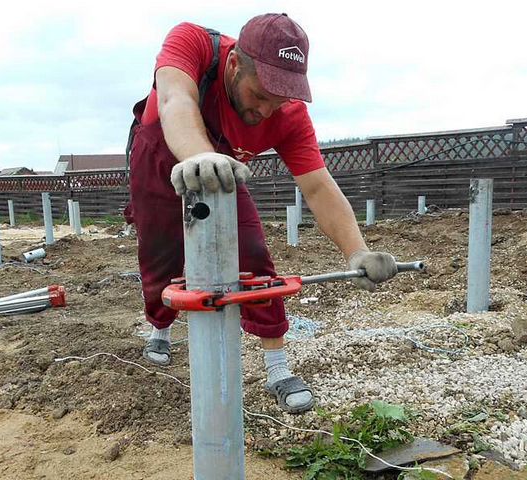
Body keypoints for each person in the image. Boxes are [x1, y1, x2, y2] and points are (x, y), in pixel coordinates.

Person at [125, 13, 398, 414]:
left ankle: (277, 367)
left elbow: (319, 186)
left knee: (253, 254)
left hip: (221, 171)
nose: (268, 110)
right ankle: (161, 327)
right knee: (160, 254)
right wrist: (201, 156)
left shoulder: (288, 115)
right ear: (235, 65)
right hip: (159, 155)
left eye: (281, 100)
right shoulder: (194, 44)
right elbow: (175, 100)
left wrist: (356, 251)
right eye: (260, 95)